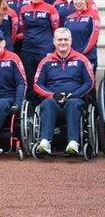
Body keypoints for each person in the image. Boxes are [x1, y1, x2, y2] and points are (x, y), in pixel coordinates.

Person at [34, 28, 94, 156]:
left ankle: (73, 143)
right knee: (48, 103)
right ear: (54, 42)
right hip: (53, 98)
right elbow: (37, 84)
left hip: (75, 98)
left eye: (66, 39)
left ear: (71, 41)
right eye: (59, 39)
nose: (63, 42)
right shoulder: (45, 61)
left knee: (73, 103)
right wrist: (52, 95)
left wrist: (74, 95)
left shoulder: (81, 59)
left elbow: (89, 83)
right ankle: (45, 142)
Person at [19, 0, 59, 99]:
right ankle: (31, 106)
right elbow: (23, 28)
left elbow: (56, 28)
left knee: (45, 76)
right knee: (29, 77)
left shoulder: (50, 9)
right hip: (28, 49)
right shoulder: (24, 9)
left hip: (45, 48)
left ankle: (46, 103)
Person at [64, 0, 100, 73]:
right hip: (72, 58)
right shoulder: (69, 18)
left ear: (86, 0)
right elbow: (66, 38)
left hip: (88, 57)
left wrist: (81, 53)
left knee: (89, 84)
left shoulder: (93, 16)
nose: (78, 1)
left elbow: (93, 38)